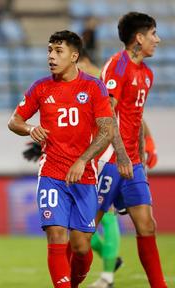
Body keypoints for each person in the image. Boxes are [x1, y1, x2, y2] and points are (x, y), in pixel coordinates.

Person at [8, 30, 114, 288]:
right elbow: (14, 121)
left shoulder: (93, 86)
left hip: (85, 175)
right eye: (49, 50)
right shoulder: (41, 87)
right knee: (56, 235)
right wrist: (31, 129)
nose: (51, 56)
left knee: (80, 247)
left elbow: (107, 131)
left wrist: (82, 160)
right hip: (51, 173)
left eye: (58, 51)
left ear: (74, 56)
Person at [96, 12, 167, 288]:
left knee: (147, 225)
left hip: (132, 163)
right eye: (153, 34)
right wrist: (122, 154)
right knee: (84, 234)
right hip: (108, 160)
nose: (158, 40)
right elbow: (106, 118)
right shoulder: (118, 66)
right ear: (139, 38)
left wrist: (141, 150)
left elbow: (134, 118)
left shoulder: (147, 74)